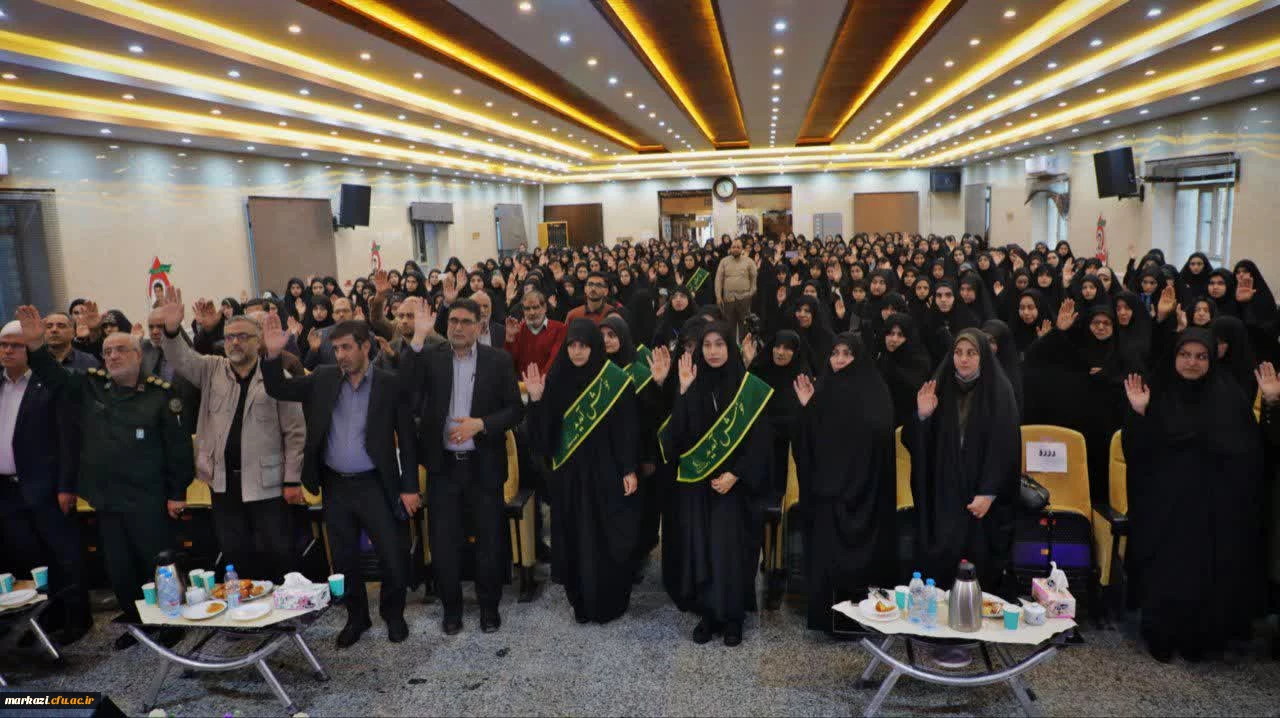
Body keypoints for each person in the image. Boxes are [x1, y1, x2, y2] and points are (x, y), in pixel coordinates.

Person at [16, 305, 193, 651]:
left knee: (158, 563)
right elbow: (55, 378)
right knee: (121, 569)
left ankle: (171, 620)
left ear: (138, 355)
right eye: (108, 351)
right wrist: (36, 347)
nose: (112, 356)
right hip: (108, 499)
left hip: (149, 499)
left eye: (120, 350)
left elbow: (178, 449)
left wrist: (177, 492)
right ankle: (138, 622)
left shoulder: (160, 395)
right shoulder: (91, 387)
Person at [259, 315, 418, 648]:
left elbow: (407, 438)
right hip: (336, 486)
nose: (340, 355)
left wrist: (409, 487)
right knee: (344, 559)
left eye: (347, 347)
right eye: (336, 349)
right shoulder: (323, 377)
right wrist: (272, 356)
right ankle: (357, 617)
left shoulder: (389, 384)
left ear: (366, 347)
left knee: (392, 554)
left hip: (376, 484)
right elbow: (278, 389)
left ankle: (393, 614)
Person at [1122, 328, 1263, 662]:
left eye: (1201, 356)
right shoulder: (1157, 394)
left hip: (1213, 509)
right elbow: (1137, 452)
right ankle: (1160, 635)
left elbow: (1251, 454)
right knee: (1165, 571)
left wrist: (1270, 404)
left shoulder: (1229, 397)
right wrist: (1140, 415)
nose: (1192, 362)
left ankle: (1200, 639)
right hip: (1165, 507)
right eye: (1185, 355)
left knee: (1206, 575)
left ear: (1212, 360)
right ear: (1174, 357)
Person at [155, 289, 306, 583]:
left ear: (258, 341)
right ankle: (247, 604)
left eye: (242, 336)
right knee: (236, 551)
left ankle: (283, 604)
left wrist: (292, 480)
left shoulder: (277, 377)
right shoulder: (211, 369)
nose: (234, 342)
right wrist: (172, 331)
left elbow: (295, 432)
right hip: (223, 482)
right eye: (229, 337)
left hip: (267, 482)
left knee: (277, 551)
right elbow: (181, 359)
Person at [405, 298, 524, 635]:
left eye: (465, 321)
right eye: (453, 321)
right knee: (444, 544)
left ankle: (489, 608)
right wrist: (418, 338)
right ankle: (451, 610)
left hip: (483, 466)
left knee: (489, 541)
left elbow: (515, 410)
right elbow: (406, 390)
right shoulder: (430, 358)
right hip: (443, 468)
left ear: (479, 325)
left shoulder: (497, 360)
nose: (458, 327)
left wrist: (481, 424)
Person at [661, 321, 773, 646]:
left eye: (719, 345)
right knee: (704, 548)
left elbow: (761, 441)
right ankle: (709, 613)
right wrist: (683, 392)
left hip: (736, 487)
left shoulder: (749, 387)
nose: (712, 351)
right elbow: (678, 437)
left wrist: (736, 474)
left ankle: (733, 616)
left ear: (730, 348)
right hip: (700, 485)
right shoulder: (693, 384)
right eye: (707, 345)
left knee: (730, 551)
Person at [523, 320, 640, 624]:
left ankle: (609, 600)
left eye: (583, 346)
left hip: (607, 472)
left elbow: (628, 430)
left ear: (594, 347)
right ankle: (580, 601)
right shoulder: (556, 379)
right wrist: (536, 401)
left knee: (607, 535)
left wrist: (629, 468)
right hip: (570, 477)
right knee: (574, 536)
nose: (577, 351)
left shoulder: (615, 380)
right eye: (572, 346)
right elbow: (542, 438)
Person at [793, 333, 898, 632]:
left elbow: (879, 435)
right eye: (835, 353)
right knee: (827, 554)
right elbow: (807, 442)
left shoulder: (875, 389)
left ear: (859, 356)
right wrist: (808, 408)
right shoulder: (822, 388)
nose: (839, 359)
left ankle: (863, 617)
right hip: (828, 492)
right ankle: (827, 618)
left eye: (847, 353)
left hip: (864, 494)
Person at [905, 329, 1019, 595]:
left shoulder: (999, 391)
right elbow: (915, 441)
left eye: (971, 353)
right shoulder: (941, 386)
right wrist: (923, 416)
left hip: (981, 496)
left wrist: (989, 492)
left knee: (977, 569)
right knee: (941, 570)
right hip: (945, 494)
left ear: (983, 356)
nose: (963, 359)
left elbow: (1005, 446)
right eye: (958, 353)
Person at [0, 320, 93, 645]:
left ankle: (77, 620)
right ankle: (41, 620)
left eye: (16, 345)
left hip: (48, 487)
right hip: (7, 490)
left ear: (30, 348)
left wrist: (67, 486)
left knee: (64, 556)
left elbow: (68, 439)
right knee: (27, 557)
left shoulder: (48, 384)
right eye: (3, 344)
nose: (8, 350)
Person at [504, 289, 566, 376]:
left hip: (549, 382)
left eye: (535, 307)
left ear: (544, 308)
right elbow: (509, 364)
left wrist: (538, 382)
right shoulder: (518, 330)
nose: (532, 312)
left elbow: (555, 362)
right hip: (522, 383)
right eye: (527, 309)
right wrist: (509, 340)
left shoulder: (560, 329)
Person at [714, 239, 757, 340]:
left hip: (744, 299)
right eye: (733, 247)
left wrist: (750, 293)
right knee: (729, 327)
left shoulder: (749, 261)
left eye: (738, 247)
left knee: (745, 327)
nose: (736, 249)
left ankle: (744, 348)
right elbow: (718, 279)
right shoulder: (724, 261)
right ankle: (731, 347)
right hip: (728, 299)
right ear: (730, 248)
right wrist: (718, 296)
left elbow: (754, 279)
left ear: (742, 249)